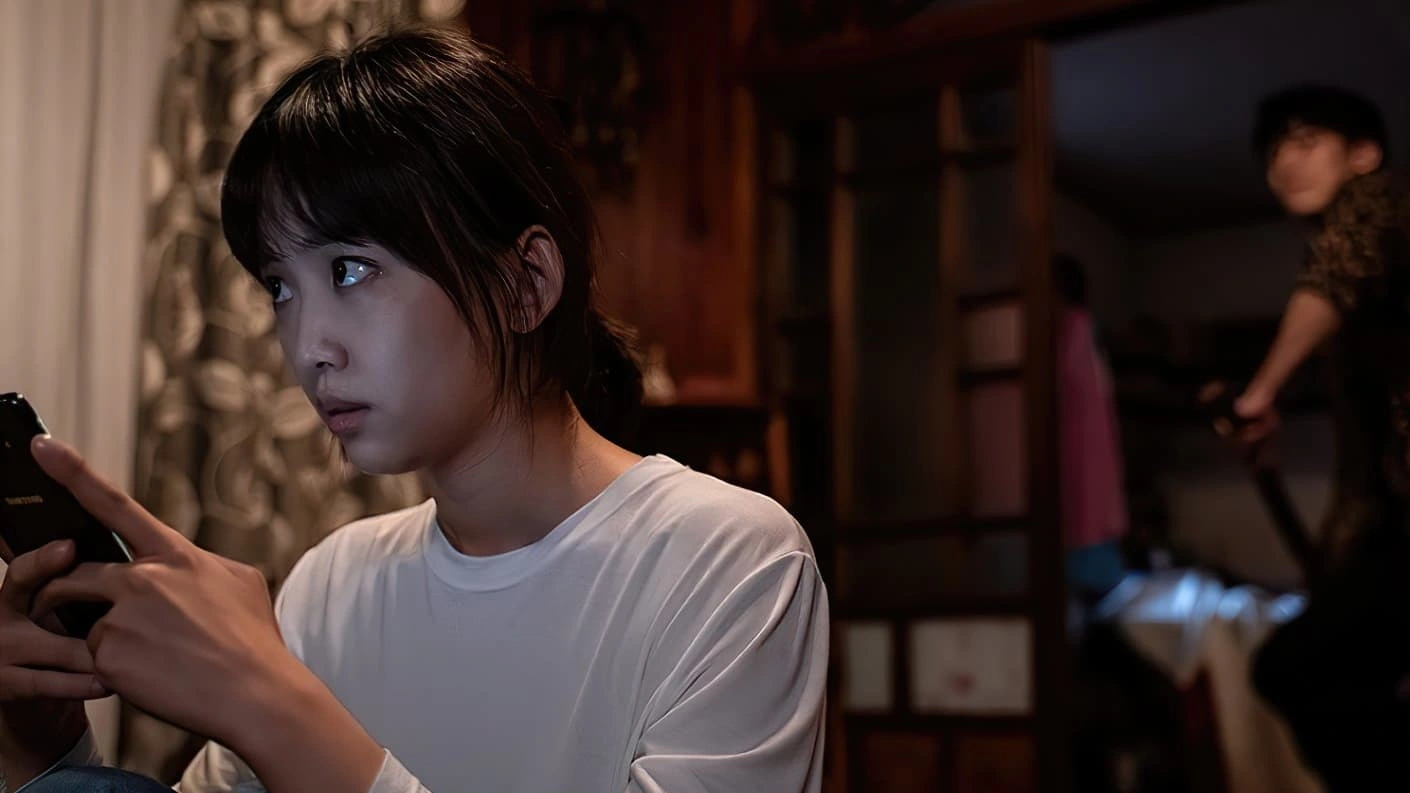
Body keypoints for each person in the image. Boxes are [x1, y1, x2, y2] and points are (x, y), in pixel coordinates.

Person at [0, 26, 829, 793]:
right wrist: (48, 745)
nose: (308, 345)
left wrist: (268, 697)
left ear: (525, 283)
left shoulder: (729, 564)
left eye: (350, 269)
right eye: (281, 287)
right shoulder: (334, 582)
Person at [1219, 84, 1410, 792]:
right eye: (1274, 153)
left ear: (1363, 155)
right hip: (1395, 522)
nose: (1283, 166)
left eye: (1304, 143)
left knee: (1294, 667)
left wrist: (1261, 391)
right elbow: (1362, 461)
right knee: (1307, 670)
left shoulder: (1383, 199)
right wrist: (1333, 565)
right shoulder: (1357, 312)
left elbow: (1337, 267)